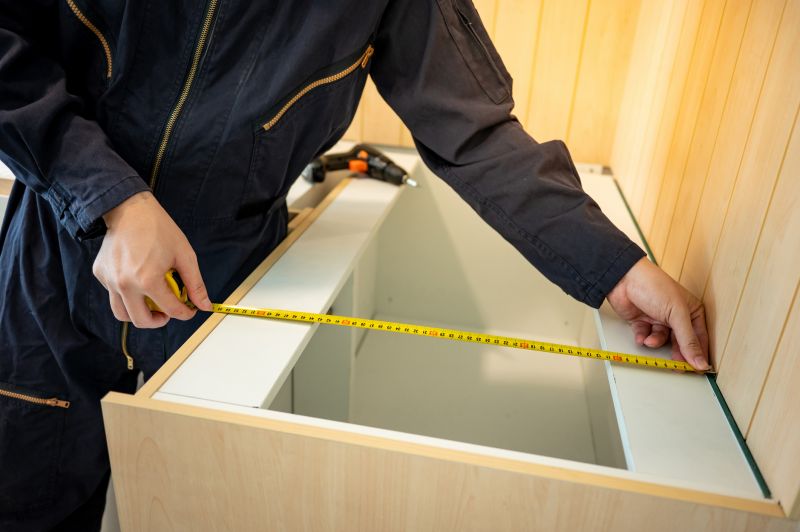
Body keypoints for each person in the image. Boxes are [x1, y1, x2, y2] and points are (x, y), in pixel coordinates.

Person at [0, 1, 709, 530]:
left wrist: (617, 267)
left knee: (206, 502)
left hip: (229, 282)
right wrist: (113, 200)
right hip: (54, 260)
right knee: (29, 495)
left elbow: (476, 133)